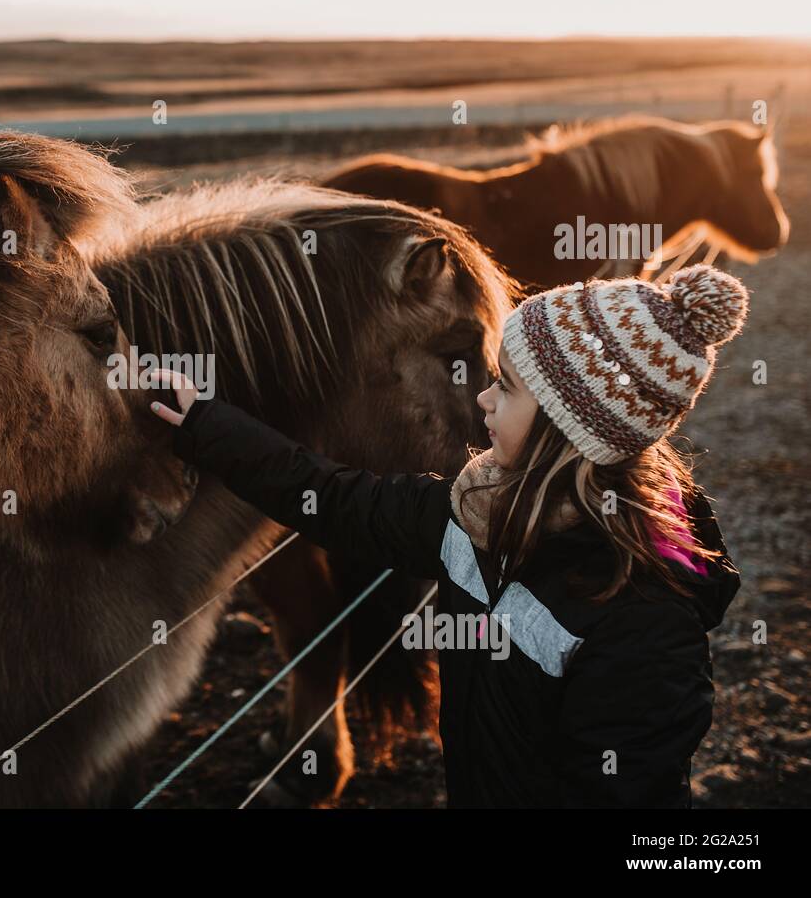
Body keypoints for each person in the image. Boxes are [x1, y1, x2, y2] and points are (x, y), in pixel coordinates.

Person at [148, 265, 746, 807]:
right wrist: (205, 423)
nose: (483, 398)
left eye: (507, 387)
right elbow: (332, 498)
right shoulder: (473, 510)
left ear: (568, 430)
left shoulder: (643, 623)